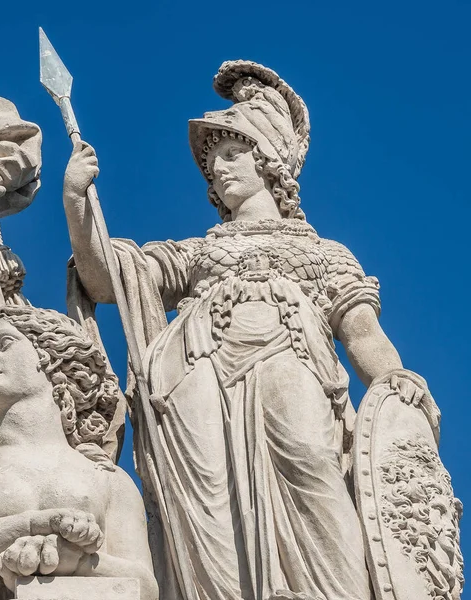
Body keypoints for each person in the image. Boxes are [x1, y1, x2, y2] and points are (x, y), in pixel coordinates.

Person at [62, 60, 436, 600]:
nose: (218, 171)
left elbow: (360, 332)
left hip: (292, 363)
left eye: (232, 155)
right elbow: (108, 281)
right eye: (212, 164)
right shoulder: (200, 252)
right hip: (199, 383)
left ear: (269, 162)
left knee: (312, 466)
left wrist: (396, 380)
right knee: (210, 499)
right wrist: (77, 200)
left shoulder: (322, 253)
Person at [0, 305, 158, 600]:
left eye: (4, 343)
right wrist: (33, 526)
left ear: (49, 356)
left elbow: (145, 587)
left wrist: (75, 563)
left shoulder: (109, 480)